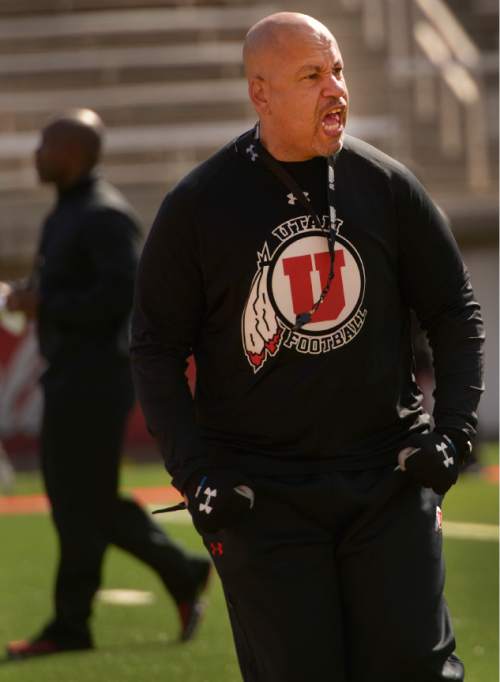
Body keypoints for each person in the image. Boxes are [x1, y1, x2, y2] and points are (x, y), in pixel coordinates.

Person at [130, 12, 484, 682]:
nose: (337, 90)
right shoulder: (199, 205)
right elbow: (154, 348)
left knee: (418, 668)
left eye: (340, 71)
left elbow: (455, 312)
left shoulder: (387, 186)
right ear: (261, 94)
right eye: (313, 76)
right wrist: (196, 474)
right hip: (261, 495)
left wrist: (454, 434)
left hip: (388, 480)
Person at [4, 109, 211, 660]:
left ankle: (72, 624)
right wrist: (28, 294)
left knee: (80, 506)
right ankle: (183, 571)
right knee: (84, 503)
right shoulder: (66, 213)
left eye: (47, 144)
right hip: (71, 377)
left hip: (96, 381)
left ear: (73, 152)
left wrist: (44, 302)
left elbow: (121, 299)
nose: (37, 153)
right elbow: (67, 286)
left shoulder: (104, 216)